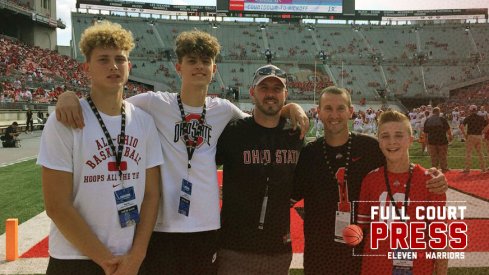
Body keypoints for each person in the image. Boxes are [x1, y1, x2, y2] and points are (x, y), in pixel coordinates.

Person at [55, 30, 309, 274]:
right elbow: (109, 103)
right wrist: (69, 97)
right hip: (162, 225)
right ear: (179, 67)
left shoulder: (223, 109)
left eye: (205, 61)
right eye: (192, 61)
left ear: (214, 70)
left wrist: (290, 107)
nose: (199, 66)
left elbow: (260, 118)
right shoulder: (155, 102)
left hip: (207, 224)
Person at [37, 21, 163, 275]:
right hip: (74, 258)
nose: (114, 65)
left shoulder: (144, 121)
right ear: (87, 68)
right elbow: (57, 205)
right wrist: (107, 261)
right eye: (103, 59)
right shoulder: (65, 121)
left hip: (130, 258)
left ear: (130, 66)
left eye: (120, 59)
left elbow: (151, 195)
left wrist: (137, 255)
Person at [291, 86, 448, 275]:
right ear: (319, 112)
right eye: (328, 108)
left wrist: (433, 176)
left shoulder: (370, 147)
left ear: (350, 112)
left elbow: (399, 162)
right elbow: (288, 195)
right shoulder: (309, 154)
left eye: (340, 108)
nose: (335, 114)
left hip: (360, 256)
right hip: (320, 255)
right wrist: (290, 107)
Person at [216, 64, 303, 274]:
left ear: (286, 94)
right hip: (234, 248)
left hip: (279, 249)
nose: (271, 94)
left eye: (277, 89)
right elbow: (202, 167)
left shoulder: (295, 135)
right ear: (252, 92)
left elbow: (303, 179)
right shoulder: (233, 132)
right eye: (264, 88)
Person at [357, 110, 447, 275]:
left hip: (418, 268)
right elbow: (361, 232)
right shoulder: (370, 180)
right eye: (385, 136)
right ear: (379, 142)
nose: (392, 142)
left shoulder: (430, 181)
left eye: (399, 135)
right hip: (375, 268)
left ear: (410, 140)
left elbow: (441, 239)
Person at [459, 104, 487, 173]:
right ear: (476, 110)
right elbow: (487, 126)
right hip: (479, 136)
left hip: (471, 136)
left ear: (470, 110)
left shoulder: (468, 117)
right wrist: (483, 132)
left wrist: (465, 135)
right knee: (480, 153)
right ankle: (483, 169)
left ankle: (467, 169)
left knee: (469, 153)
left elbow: (461, 126)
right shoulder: (481, 118)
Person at [423, 107, 452, 172]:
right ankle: (444, 168)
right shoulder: (442, 119)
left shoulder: (428, 120)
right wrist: (450, 136)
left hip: (431, 141)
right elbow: (448, 130)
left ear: (433, 112)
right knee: (443, 155)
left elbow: (425, 132)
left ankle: (434, 168)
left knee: (433, 156)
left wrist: (426, 140)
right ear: (438, 112)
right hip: (442, 140)